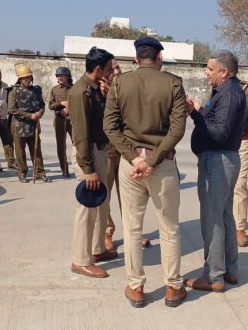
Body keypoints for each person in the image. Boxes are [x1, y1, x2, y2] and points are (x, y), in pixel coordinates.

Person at [104, 37, 188, 308]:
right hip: (161, 163)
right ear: (159, 57)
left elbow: (110, 127)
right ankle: (173, 288)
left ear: (136, 58)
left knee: (132, 228)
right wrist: (152, 159)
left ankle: (136, 287)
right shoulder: (173, 83)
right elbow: (177, 130)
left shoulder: (120, 83)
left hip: (131, 166)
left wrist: (134, 158)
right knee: (169, 228)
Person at [184, 50, 246, 293]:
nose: (206, 73)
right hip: (222, 160)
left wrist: (194, 115)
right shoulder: (224, 93)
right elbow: (216, 123)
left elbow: (218, 133)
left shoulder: (229, 95)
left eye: (210, 69)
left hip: (218, 162)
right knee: (223, 216)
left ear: (224, 72)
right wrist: (199, 111)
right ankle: (229, 269)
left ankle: (214, 276)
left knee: (213, 219)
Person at [68, 47, 118, 279]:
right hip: (88, 154)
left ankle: (97, 249)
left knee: (101, 205)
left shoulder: (96, 89)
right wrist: (88, 169)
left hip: (100, 151)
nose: (111, 73)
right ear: (98, 70)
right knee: (87, 209)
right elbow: (80, 135)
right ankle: (81, 260)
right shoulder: (80, 93)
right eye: (108, 69)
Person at [102, 60, 153, 251]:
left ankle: (132, 233)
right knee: (104, 195)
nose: (117, 71)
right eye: (112, 68)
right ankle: (107, 232)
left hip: (126, 150)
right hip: (106, 150)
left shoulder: (124, 88)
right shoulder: (99, 91)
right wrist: (108, 93)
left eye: (118, 68)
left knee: (129, 196)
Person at [7, 63, 49, 183]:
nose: (27, 80)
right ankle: (22, 173)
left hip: (34, 125)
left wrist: (39, 113)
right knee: (20, 152)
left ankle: (40, 172)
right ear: (20, 78)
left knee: (36, 151)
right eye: (25, 78)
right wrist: (30, 115)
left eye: (29, 77)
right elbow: (12, 109)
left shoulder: (36, 90)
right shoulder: (13, 91)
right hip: (19, 126)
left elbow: (42, 105)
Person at [234, 79, 248, 247]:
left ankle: (239, 228)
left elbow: (239, 115)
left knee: (239, 185)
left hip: (240, 143)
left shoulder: (245, 88)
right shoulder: (215, 86)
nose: (207, 72)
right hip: (219, 144)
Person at [48, 66, 73, 178]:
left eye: (61, 75)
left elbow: (80, 103)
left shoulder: (75, 88)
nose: (59, 77)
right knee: (61, 146)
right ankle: (64, 170)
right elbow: (50, 105)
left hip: (73, 120)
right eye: (58, 76)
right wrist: (61, 103)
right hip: (59, 120)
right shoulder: (54, 89)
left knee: (78, 145)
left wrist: (69, 108)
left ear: (67, 76)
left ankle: (81, 168)